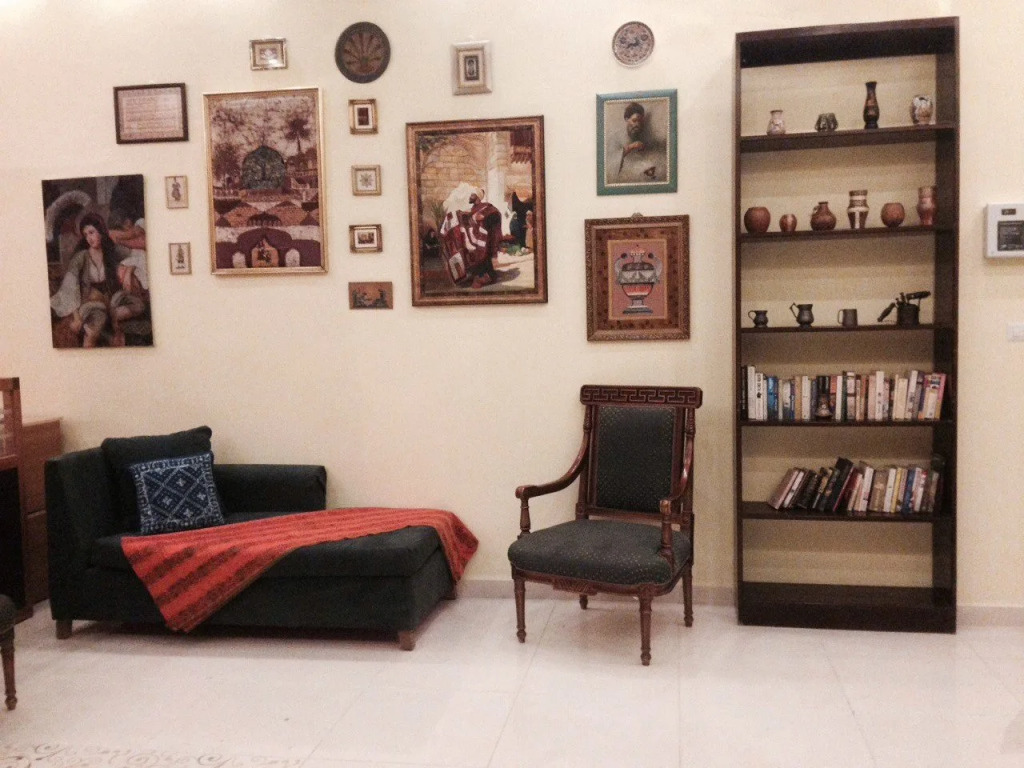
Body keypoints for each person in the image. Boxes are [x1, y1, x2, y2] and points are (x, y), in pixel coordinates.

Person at [50, 212, 147, 347]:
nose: (89, 238)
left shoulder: (109, 254)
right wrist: (77, 318)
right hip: (90, 303)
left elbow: (124, 267)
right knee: (96, 326)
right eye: (86, 235)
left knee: (138, 305)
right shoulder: (81, 257)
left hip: (110, 301)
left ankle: (112, 317)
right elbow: (69, 288)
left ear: (100, 232)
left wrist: (129, 271)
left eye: (91, 232)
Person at [607, 100, 667, 185]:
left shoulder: (643, 135)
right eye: (634, 120)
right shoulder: (616, 138)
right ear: (626, 119)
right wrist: (629, 148)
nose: (637, 124)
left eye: (640, 121)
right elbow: (610, 165)